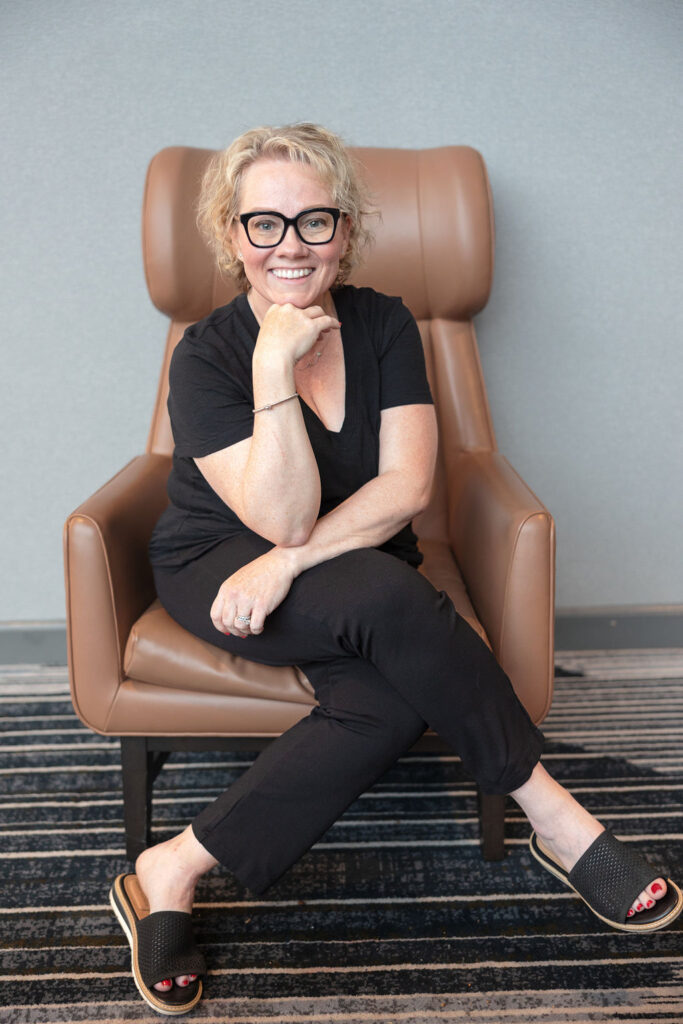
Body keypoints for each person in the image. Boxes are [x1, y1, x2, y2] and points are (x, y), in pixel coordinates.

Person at [109, 123, 682, 1016]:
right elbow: (282, 512)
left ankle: (171, 864)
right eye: (263, 224)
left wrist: (287, 567)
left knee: (382, 688)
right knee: (387, 591)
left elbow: (407, 486)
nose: (290, 246)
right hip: (217, 562)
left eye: (314, 221)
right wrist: (272, 369)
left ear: (347, 230)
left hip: (349, 565)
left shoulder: (383, 322)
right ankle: (556, 819)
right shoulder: (208, 358)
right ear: (231, 237)